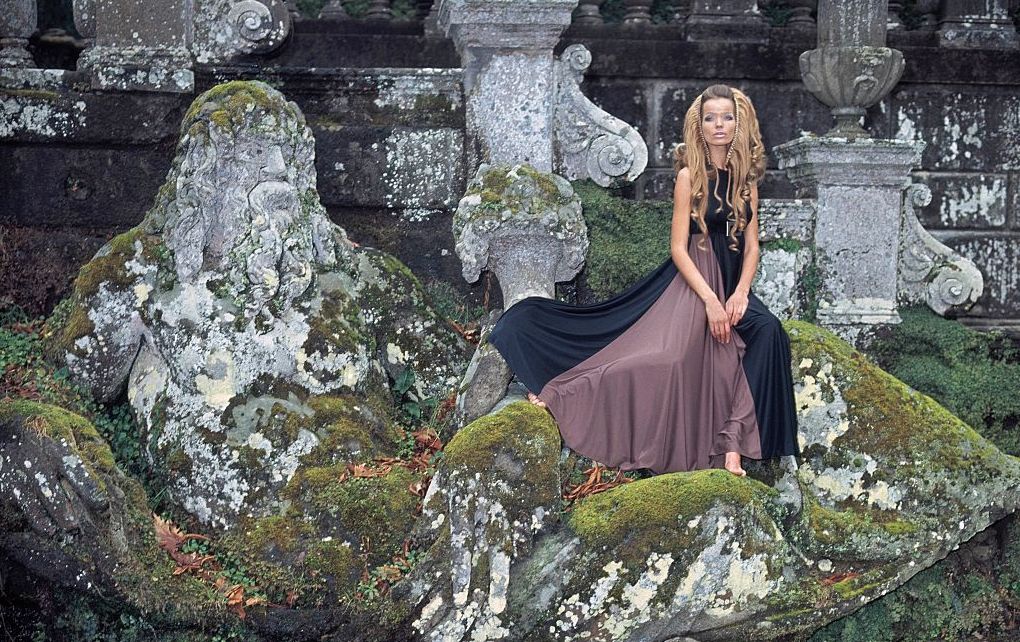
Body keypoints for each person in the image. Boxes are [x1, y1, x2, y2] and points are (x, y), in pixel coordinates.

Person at [488, 84, 799, 477]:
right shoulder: (689, 177)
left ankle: (733, 446)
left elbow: (752, 247)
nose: (719, 125)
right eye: (710, 118)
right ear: (699, 126)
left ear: (740, 124)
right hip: (696, 282)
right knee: (667, 359)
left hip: (733, 284)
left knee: (768, 331)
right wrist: (710, 300)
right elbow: (678, 248)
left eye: (727, 117)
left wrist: (739, 294)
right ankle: (563, 392)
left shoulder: (747, 182)